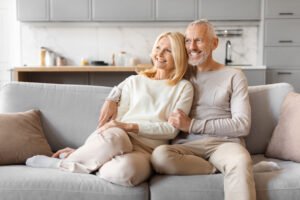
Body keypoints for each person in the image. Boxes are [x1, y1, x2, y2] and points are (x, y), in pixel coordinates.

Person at [98, 19, 256, 200]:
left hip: (224, 143)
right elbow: (143, 78)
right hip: (186, 147)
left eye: (199, 40)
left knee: (240, 161)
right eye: (188, 41)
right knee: (160, 157)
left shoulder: (234, 76)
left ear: (214, 43)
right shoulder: (180, 73)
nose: (192, 47)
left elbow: (242, 125)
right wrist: (112, 96)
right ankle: (214, 168)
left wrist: (193, 125)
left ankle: (225, 165)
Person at [25, 31, 194, 187]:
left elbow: (171, 130)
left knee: (126, 173)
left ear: (178, 56)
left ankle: (82, 160)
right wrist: (117, 113)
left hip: (147, 150)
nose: (160, 54)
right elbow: (116, 122)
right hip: (119, 137)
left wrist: (131, 126)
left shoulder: (184, 87)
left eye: (168, 50)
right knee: (117, 139)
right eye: (158, 47)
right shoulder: (134, 81)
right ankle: (63, 162)